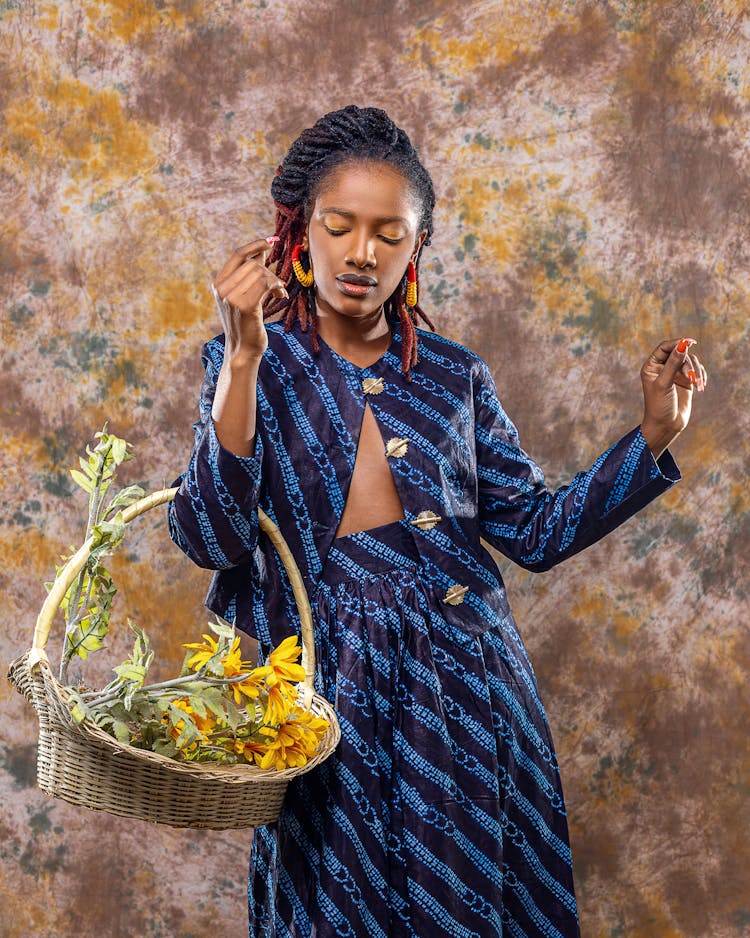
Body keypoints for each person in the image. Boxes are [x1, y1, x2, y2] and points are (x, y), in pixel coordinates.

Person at [168, 105, 707, 938]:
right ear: (296, 233)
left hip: (472, 688)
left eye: (390, 233)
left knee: (468, 907)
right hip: (331, 695)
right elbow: (209, 537)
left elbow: (535, 530)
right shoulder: (249, 366)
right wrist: (241, 357)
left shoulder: (454, 375)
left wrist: (654, 436)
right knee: (338, 908)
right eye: (339, 226)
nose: (361, 253)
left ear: (416, 247)